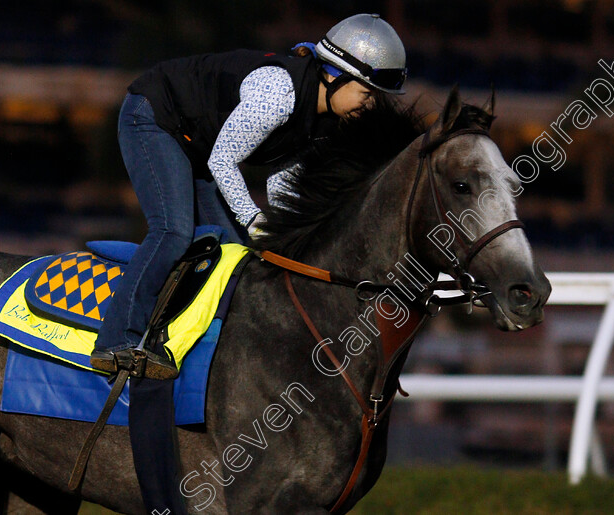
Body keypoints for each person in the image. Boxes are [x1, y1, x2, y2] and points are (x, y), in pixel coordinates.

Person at [86, 13, 409, 514]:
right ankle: (118, 340)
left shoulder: (320, 122)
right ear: (334, 75)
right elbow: (223, 161)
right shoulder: (279, 91)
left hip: (198, 141)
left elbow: (282, 185)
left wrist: (278, 237)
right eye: (366, 92)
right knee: (173, 230)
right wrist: (255, 219)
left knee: (237, 254)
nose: (368, 104)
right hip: (154, 118)